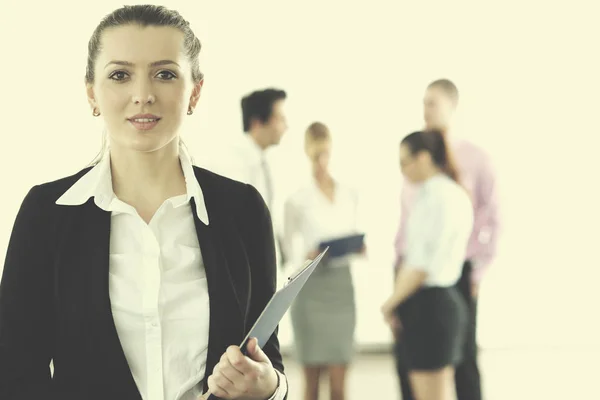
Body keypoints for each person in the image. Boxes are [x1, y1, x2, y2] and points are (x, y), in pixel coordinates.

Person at [0, 5, 288, 400]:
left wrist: (269, 386)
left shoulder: (242, 210)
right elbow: (15, 372)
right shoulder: (47, 213)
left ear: (195, 92)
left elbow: (267, 358)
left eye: (165, 74)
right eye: (120, 75)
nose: (143, 95)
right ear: (92, 94)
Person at [393, 79, 500, 400]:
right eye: (423, 102)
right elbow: (408, 223)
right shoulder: (416, 162)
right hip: (412, 273)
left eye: (432, 103)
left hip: (452, 272)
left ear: (452, 106)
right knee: (409, 363)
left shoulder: (473, 159)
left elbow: (493, 218)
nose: (425, 110)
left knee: (462, 358)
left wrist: (477, 271)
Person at [382, 130, 473, 400]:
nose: (402, 170)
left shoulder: (434, 197)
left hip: (429, 307)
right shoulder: (453, 192)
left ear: (423, 158)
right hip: (442, 303)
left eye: (404, 162)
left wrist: (390, 304)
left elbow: (419, 266)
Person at [282, 122, 364, 400]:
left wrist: (358, 246)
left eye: (325, 154)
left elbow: (353, 235)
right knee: (312, 387)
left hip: (341, 289)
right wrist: (307, 255)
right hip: (310, 290)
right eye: (315, 156)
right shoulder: (296, 200)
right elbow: (286, 250)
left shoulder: (349, 194)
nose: (321, 162)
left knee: (340, 387)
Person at [206, 88, 288, 267]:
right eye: (280, 118)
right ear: (257, 123)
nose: (286, 126)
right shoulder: (230, 167)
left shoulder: (266, 162)